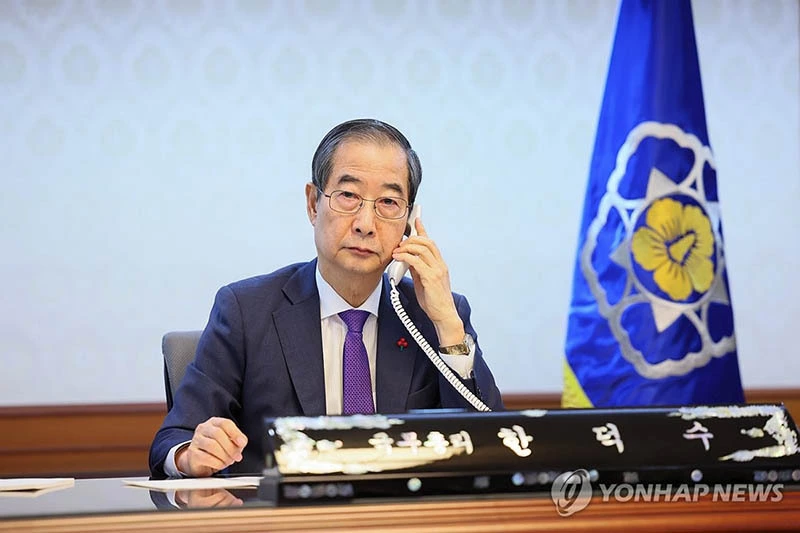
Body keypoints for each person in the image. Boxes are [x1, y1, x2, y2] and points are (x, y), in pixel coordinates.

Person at [149, 118, 503, 479]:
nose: (366, 223)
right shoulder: (245, 310)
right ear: (313, 203)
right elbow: (174, 439)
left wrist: (447, 327)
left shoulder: (436, 315)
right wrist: (190, 455)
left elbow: (494, 449)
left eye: (388, 202)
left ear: (409, 222)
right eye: (348, 196)